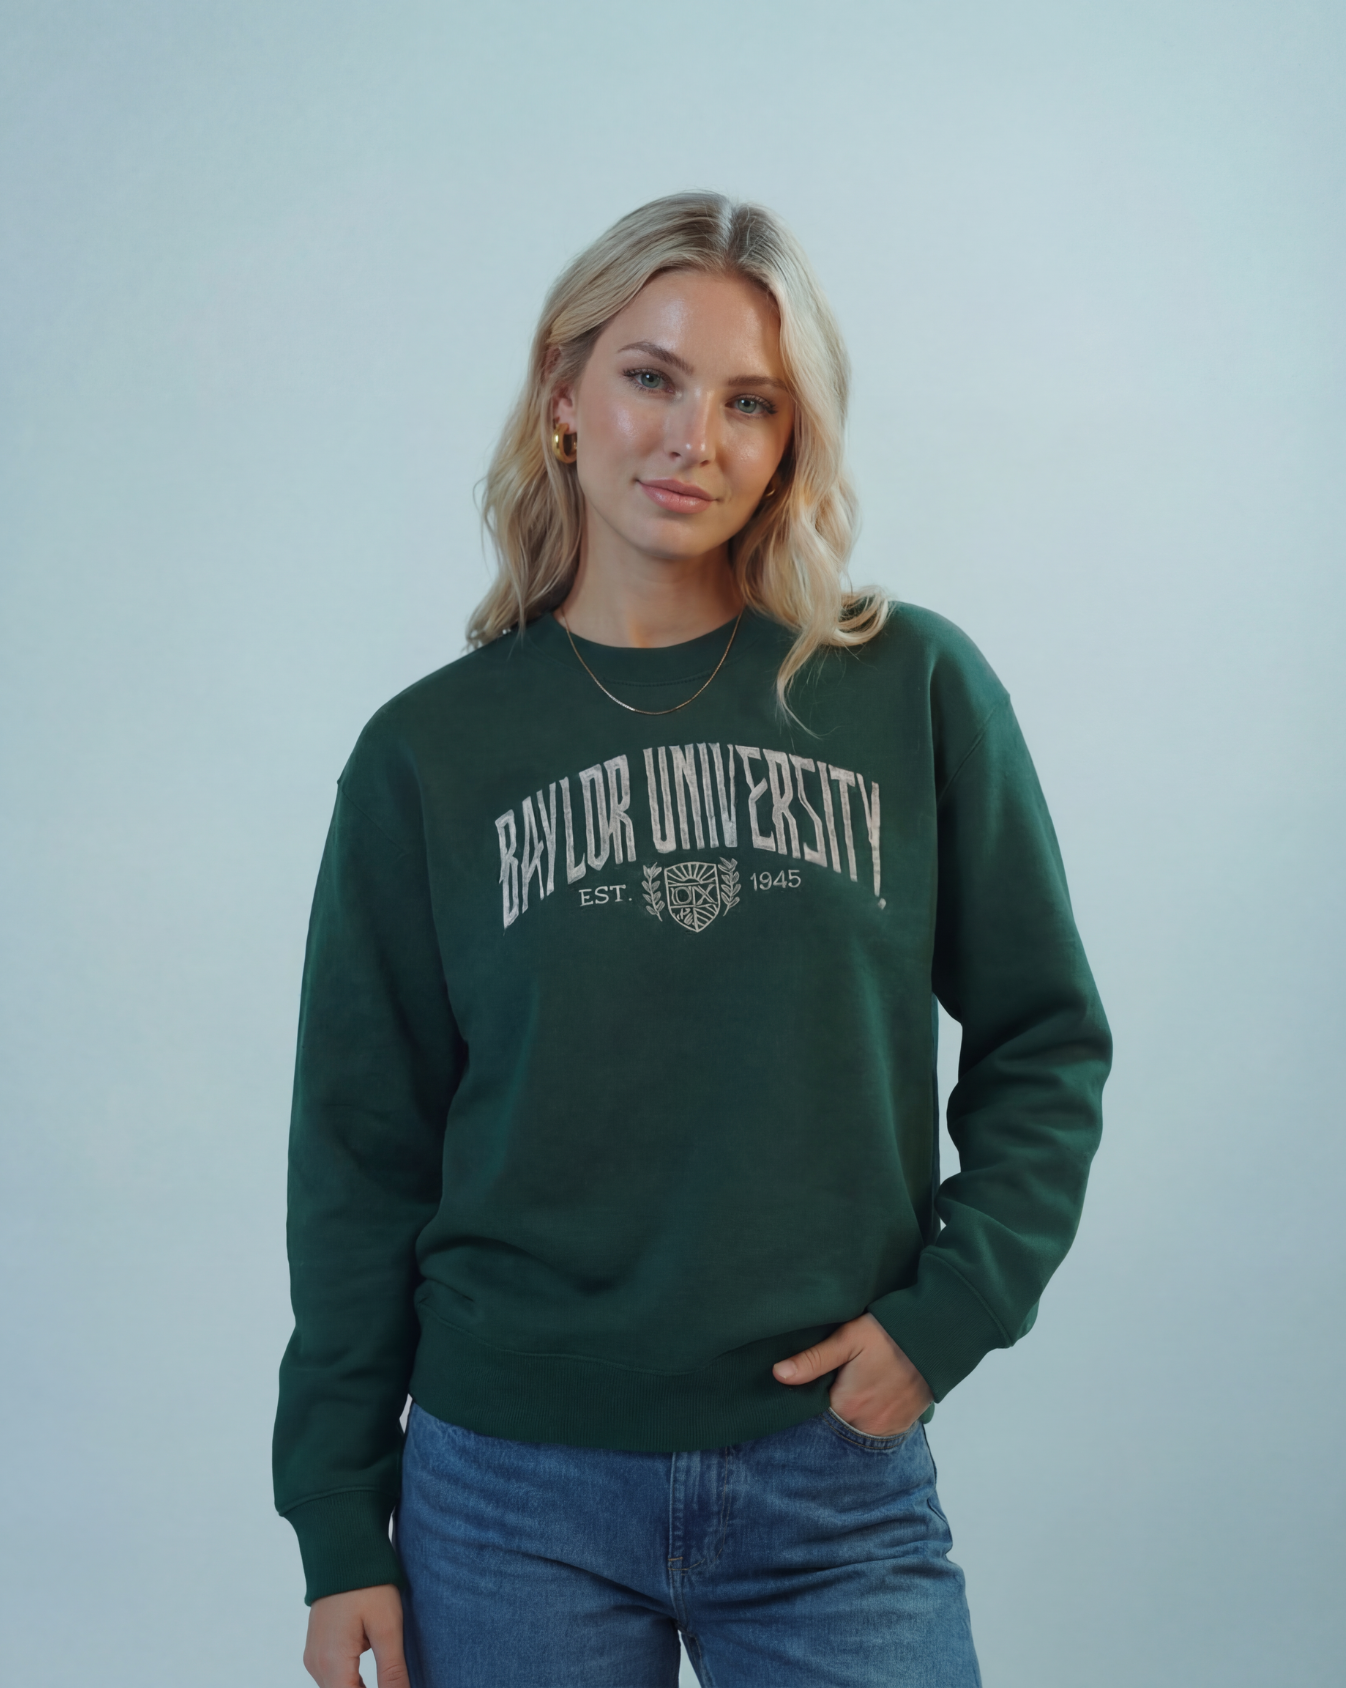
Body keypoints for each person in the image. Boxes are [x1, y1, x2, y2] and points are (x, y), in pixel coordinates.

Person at [273, 191, 1112, 1688]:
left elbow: (1044, 1037)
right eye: (651, 377)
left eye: (749, 402)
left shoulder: (905, 688)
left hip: (828, 1475)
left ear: (793, 438)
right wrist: (340, 1522)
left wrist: (957, 1306)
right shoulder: (427, 755)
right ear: (563, 396)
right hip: (504, 1489)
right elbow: (359, 1151)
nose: (693, 438)